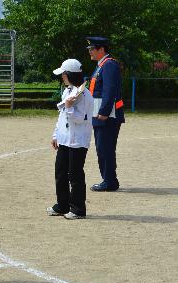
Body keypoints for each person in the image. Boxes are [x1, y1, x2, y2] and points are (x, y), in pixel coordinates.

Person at [47, 59, 93, 219]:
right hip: (65, 139)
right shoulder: (68, 91)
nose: (62, 77)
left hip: (78, 141)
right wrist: (55, 134)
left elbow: (79, 119)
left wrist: (69, 107)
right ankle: (62, 205)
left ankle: (78, 209)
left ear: (70, 75)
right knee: (60, 173)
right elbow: (61, 116)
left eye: (64, 74)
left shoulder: (85, 95)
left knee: (75, 175)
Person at [86, 36, 125, 192]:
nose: (90, 52)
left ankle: (109, 181)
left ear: (101, 49)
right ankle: (108, 180)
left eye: (92, 49)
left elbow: (109, 91)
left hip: (107, 116)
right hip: (100, 115)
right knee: (102, 148)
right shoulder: (102, 65)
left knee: (105, 148)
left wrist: (104, 112)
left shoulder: (109, 65)